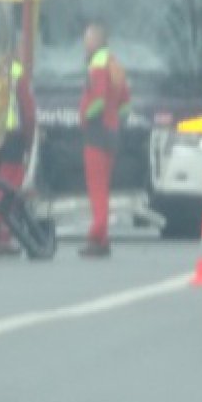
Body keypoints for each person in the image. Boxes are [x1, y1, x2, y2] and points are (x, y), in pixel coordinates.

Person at [79, 22, 131, 258]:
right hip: (112, 133)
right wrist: (115, 120)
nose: (84, 44)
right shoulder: (116, 65)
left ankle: (96, 235)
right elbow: (126, 105)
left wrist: (83, 117)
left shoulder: (97, 65)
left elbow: (97, 100)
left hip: (96, 133)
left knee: (96, 188)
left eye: (87, 39)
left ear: (97, 42)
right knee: (104, 187)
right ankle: (103, 237)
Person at [0, 58, 36, 256]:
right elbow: (27, 109)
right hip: (13, 136)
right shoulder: (16, 71)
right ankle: (4, 235)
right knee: (9, 189)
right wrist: (29, 139)